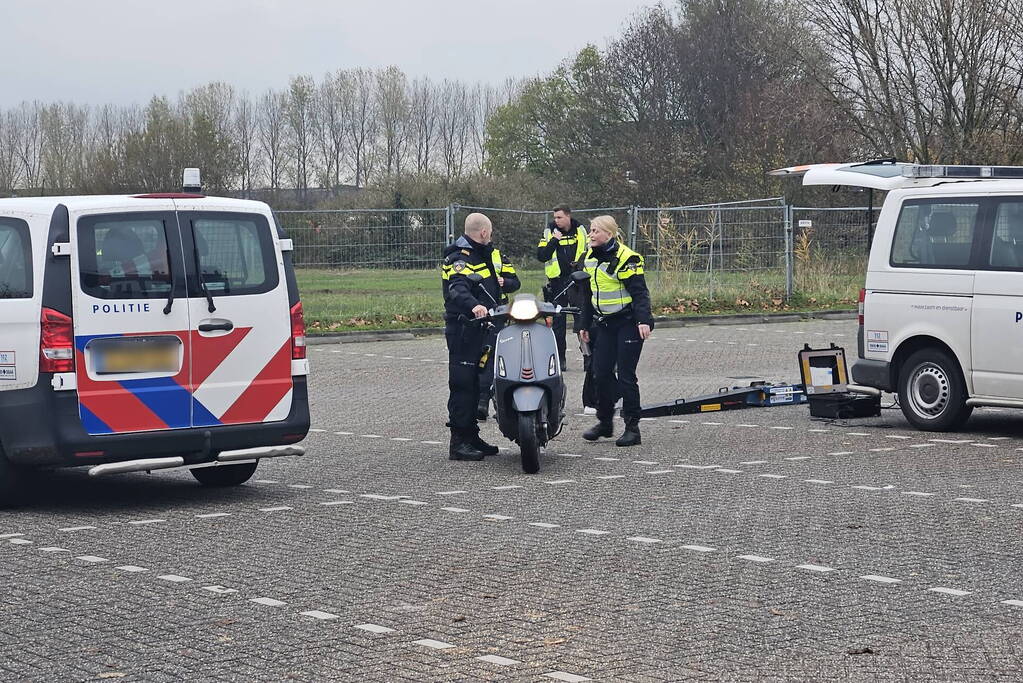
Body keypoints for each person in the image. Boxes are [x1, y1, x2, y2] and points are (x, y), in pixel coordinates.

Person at [441, 213, 520, 460]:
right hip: (464, 328)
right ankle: (458, 443)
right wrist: (473, 305)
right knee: (462, 384)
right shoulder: (459, 258)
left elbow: (505, 284)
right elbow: (457, 287)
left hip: (483, 328)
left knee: (477, 384)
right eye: (490, 231)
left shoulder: (484, 255)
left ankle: (471, 436)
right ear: (484, 232)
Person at [578, 215, 653, 447]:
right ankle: (605, 423)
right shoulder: (590, 257)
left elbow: (640, 292)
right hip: (605, 324)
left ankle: (632, 428)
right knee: (600, 373)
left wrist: (643, 320)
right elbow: (588, 296)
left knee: (627, 376)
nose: (590, 235)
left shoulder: (626, 258)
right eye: (590, 230)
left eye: (595, 231)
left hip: (628, 323)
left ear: (608, 235)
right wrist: (583, 324)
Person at [536, 205, 588, 368]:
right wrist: (554, 240)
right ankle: (560, 360)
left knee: (583, 320)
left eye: (559, 217)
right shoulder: (549, 233)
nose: (556, 220)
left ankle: (588, 358)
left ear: (568, 216)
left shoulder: (580, 231)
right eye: (555, 217)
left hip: (578, 281)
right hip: (558, 282)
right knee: (558, 323)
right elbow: (542, 256)